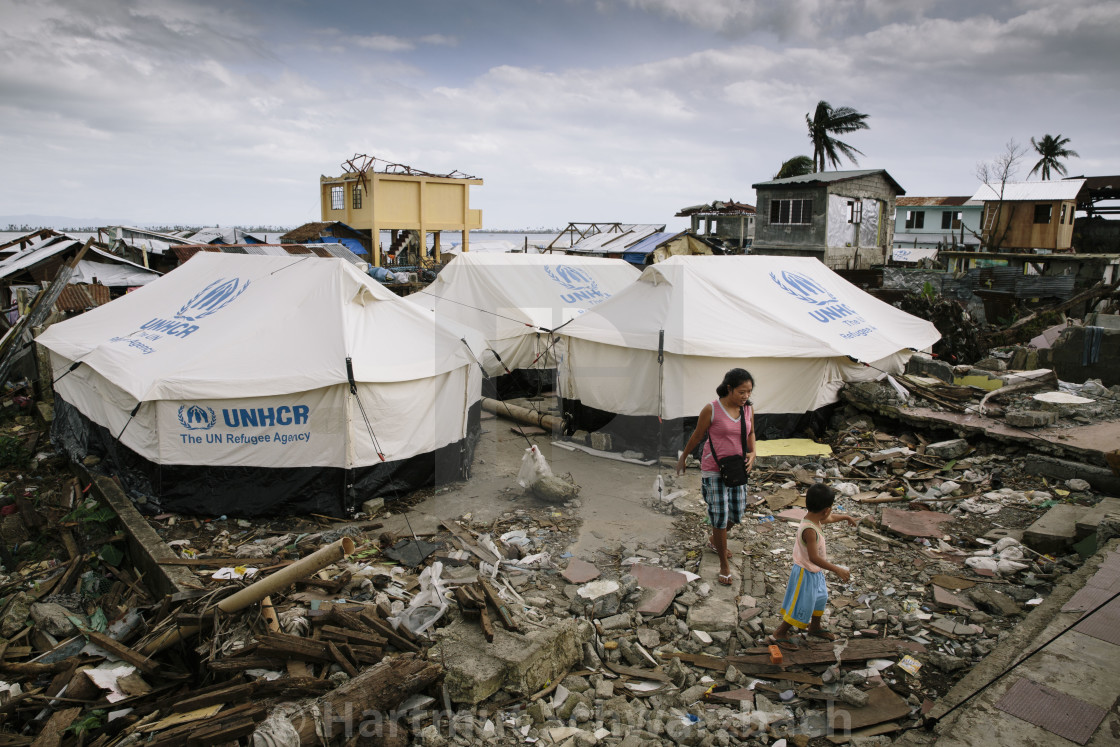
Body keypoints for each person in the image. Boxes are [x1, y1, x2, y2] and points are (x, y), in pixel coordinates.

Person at [676, 368, 756, 587]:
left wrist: (753, 453)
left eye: (749, 391)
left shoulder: (747, 409)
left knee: (737, 513)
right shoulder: (711, 409)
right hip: (714, 468)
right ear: (729, 388)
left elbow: (750, 433)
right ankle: (723, 565)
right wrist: (683, 457)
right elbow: (697, 435)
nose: (745, 396)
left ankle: (714, 540)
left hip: (738, 468)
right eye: (741, 391)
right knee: (719, 516)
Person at [768, 483, 858, 645]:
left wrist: (846, 517)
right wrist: (837, 569)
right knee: (801, 603)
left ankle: (815, 627)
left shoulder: (813, 518)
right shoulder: (809, 530)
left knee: (820, 598)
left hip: (815, 572)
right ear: (826, 509)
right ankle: (780, 632)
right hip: (805, 572)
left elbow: (829, 519)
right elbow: (814, 557)